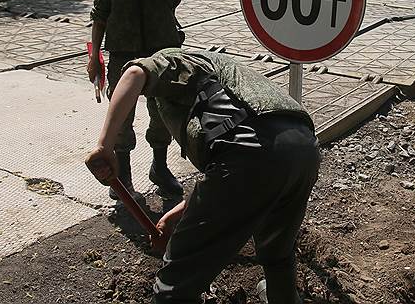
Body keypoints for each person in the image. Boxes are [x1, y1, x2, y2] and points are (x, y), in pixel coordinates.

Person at [85, 48, 321, 304]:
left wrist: (105, 145)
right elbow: (233, 176)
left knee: (176, 281)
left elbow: (134, 73)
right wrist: (176, 216)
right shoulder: (221, 73)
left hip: (249, 154)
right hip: (303, 148)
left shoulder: (172, 58)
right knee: (277, 248)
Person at [88, 0, 242, 200]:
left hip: (164, 60)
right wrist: (94, 57)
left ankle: (159, 168)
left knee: (163, 118)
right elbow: (99, 16)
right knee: (121, 121)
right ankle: (124, 178)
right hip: (123, 58)